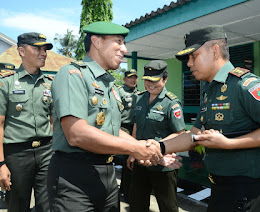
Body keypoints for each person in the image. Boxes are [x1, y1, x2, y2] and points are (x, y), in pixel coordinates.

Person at [158, 25, 260, 212]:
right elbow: (193, 135)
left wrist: (228, 144)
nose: (189, 63)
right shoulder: (210, 91)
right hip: (220, 190)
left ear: (214, 51)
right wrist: (158, 147)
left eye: (193, 56)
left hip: (247, 196)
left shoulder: (245, 85)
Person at [47, 21, 174, 212]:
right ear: (97, 42)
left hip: (107, 175)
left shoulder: (109, 85)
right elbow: (76, 133)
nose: (124, 49)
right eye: (119, 42)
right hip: (74, 178)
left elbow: (112, 130)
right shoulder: (73, 75)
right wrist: (135, 147)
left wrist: (143, 149)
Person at [0, 32, 54, 211]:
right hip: (17, 154)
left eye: (45, 49)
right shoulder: (6, 83)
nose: (43, 53)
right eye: (37, 48)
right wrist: (1, 164)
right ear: (21, 51)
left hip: (47, 151)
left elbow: (54, 121)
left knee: (47, 206)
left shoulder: (49, 84)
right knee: (17, 206)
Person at [129, 60, 185, 212]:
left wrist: (157, 149)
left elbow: (179, 133)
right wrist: (132, 152)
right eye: (147, 80)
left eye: (155, 80)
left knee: (168, 207)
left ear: (165, 79)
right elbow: (136, 125)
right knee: (137, 204)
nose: (150, 84)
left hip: (163, 165)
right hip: (141, 162)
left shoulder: (171, 103)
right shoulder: (140, 98)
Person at [118, 69, 139, 202]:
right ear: (125, 79)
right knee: (128, 160)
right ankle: (125, 190)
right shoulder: (120, 92)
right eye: (130, 78)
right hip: (124, 128)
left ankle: (130, 188)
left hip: (136, 128)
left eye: (135, 78)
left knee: (134, 160)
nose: (133, 80)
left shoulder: (139, 93)